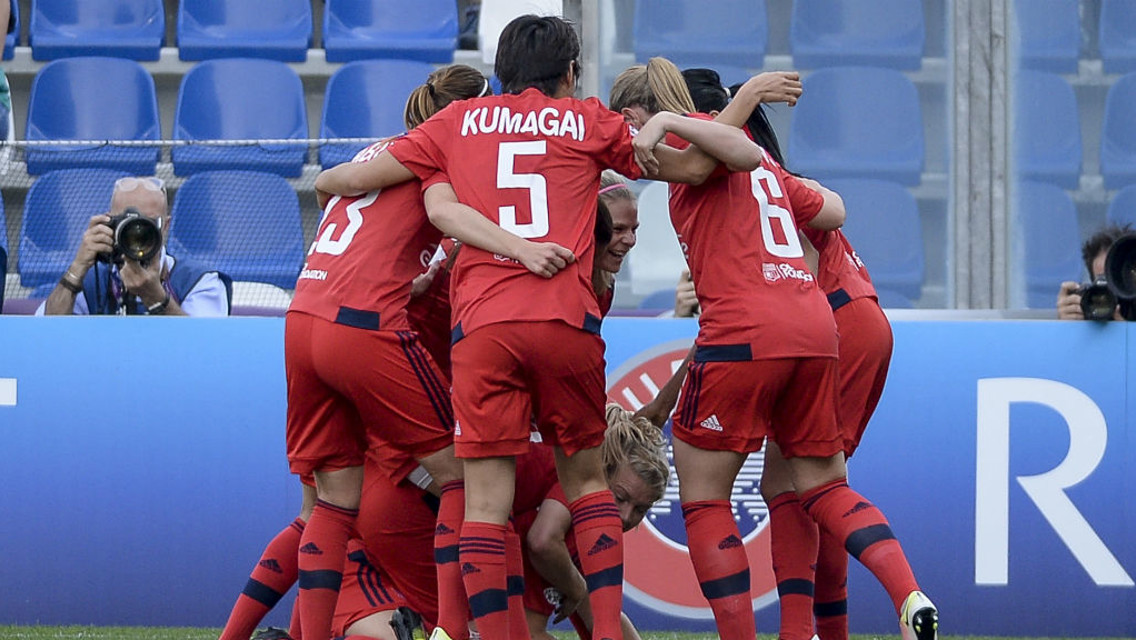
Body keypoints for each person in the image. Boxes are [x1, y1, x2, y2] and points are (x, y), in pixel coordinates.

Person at [313, 15, 765, 640]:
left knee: (483, 504)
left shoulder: (457, 121)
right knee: (588, 485)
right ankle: (607, 634)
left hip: (483, 328)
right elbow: (699, 170)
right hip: (562, 320)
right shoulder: (585, 120)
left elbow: (354, 179)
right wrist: (686, 117)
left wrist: (324, 183)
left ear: (501, 72)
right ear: (571, 73)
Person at [610, 58, 938, 640]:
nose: (626, 142)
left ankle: (788, 632)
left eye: (626, 123)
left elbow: (723, 155)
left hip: (775, 325)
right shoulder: (765, 168)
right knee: (818, 487)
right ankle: (903, 595)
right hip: (823, 326)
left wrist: (676, 121)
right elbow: (834, 210)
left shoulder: (693, 150)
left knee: (709, 498)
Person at [279, 64, 524, 640]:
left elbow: (327, 185)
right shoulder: (441, 149)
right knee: (464, 474)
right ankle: (451, 631)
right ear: (470, 110)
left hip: (303, 314)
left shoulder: (374, 151)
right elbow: (441, 213)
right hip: (363, 325)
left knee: (332, 500)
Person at [519, 404, 667, 640]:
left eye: (640, 509)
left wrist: (578, 589)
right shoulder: (574, 489)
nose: (625, 516)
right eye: (620, 498)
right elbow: (543, 541)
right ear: (601, 473)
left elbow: (601, 617)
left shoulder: (579, 531)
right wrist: (576, 588)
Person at [38, 176, 231, 316]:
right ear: (109, 222)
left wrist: (156, 298)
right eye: (127, 224)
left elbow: (205, 347)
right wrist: (77, 268)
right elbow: (44, 335)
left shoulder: (200, 282)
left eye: (148, 223)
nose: (137, 233)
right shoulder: (92, 280)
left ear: (165, 226)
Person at [1056, 224, 1132, 320]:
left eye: (1120, 281)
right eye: (1105, 280)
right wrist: (1067, 325)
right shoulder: (1088, 318)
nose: (1116, 294)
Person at [594, 170, 639, 315]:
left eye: (634, 229)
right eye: (617, 229)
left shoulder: (605, 287)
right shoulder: (551, 283)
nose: (631, 241)